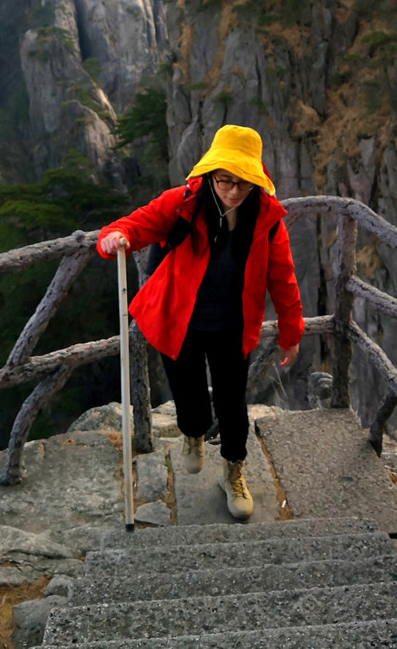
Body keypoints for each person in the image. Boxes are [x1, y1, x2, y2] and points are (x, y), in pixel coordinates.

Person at [98, 124, 304, 520]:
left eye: (242, 183)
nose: (232, 190)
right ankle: (192, 434)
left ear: (256, 182)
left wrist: (291, 331)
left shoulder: (266, 219)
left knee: (233, 405)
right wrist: (113, 238)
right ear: (210, 174)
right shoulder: (183, 203)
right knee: (187, 392)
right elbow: (136, 225)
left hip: (231, 325)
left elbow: (283, 276)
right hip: (180, 320)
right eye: (225, 180)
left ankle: (233, 471)